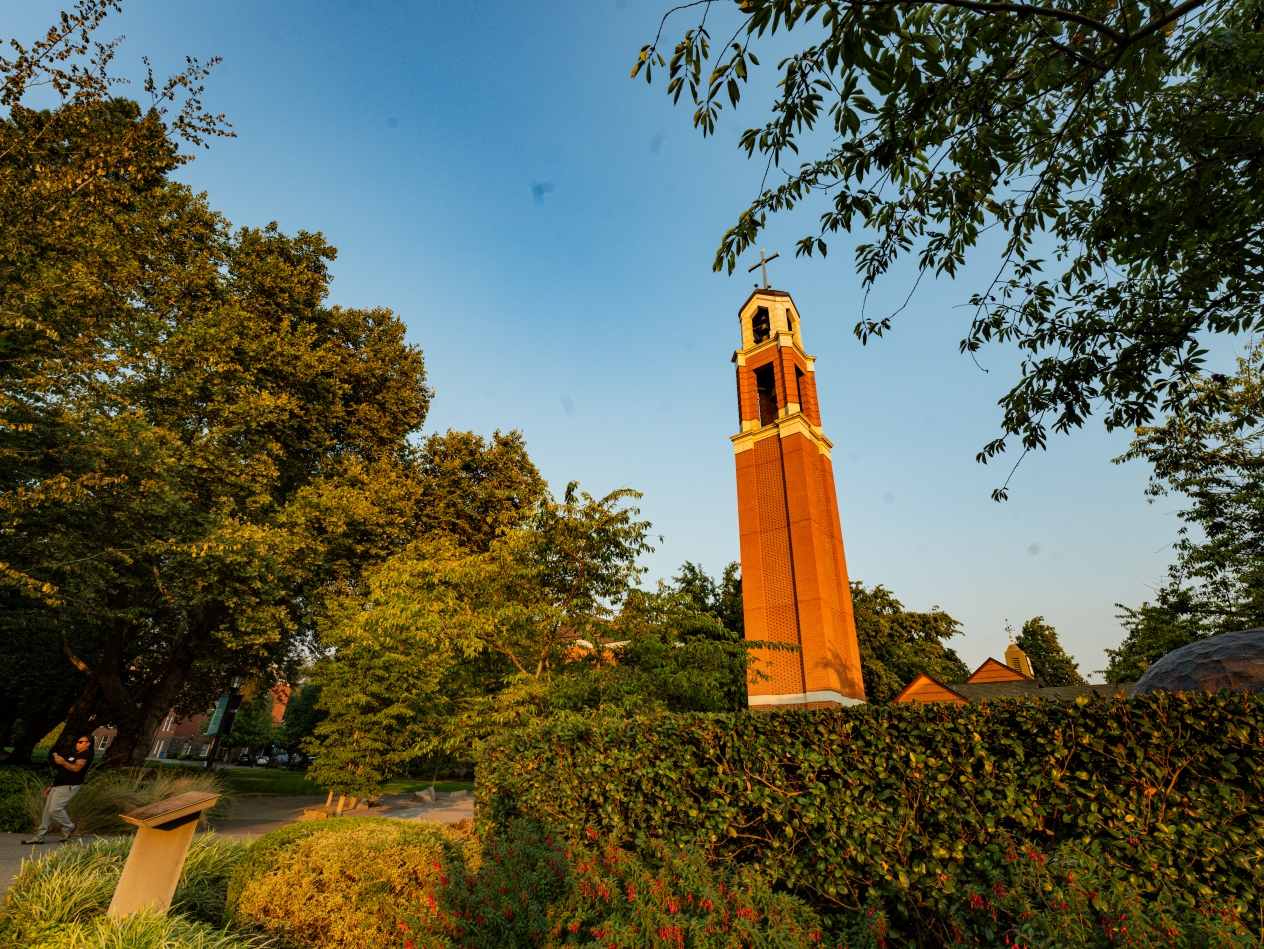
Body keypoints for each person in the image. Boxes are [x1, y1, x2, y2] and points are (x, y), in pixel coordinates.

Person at [21, 735, 94, 844]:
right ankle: (39, 838)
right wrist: (51, 786)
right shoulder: (76, 754)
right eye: (77, 742)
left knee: (54, 810)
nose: (77, 744)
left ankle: (69, 827)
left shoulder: (86, 753)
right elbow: (64, 772)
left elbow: (77, 768)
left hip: (68, 786)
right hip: (58, 785)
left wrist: (63, 762)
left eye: (81, 742)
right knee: (47, 813)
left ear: (88, 743)